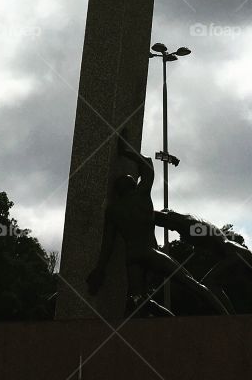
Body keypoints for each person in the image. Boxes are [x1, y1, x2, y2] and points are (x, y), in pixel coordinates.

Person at [87, 128, 229, 315]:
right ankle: (225, 317)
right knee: (190, 282)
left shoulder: (114, 211)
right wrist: (126, 151)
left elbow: (108, 244)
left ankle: (163, 320)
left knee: (138, 299)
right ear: (132, 186)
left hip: (132, 258)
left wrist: (100, 270)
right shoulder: (141, 196)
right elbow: (147, 165)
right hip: (149, 252)